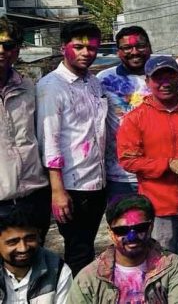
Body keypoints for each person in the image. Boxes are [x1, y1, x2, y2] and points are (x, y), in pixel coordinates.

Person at [118, 55, 178, 257]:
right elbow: (128, 160)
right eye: (158, 78)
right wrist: (168, 164)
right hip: (158, 205)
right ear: (148, 81)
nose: (165, 83)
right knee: (163, 260)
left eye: (170, 77)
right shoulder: (136, 118)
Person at [36, 21, 107, 273]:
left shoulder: (94, 82)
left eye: (92, 48)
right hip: (72, 185)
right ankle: (77, 291)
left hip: (97, 181)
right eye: (78, 47)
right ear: (62, 47)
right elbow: (49, 140)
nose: (86, 53)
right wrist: (58, 191)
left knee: (87, 246)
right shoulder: (51, 87)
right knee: (78, 251)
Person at [70, 194, 178, 303]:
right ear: (110, 233)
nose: (132, 237)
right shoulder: (88, 278)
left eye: (140, 228)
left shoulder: (172, 267)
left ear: (150, 227)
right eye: (122, 230)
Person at [0, 18, 50, 237]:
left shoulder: (28, 87)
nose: (1, 51)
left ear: (17, 50)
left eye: (8, 45)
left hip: (33, 195)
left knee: (35, 253)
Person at [97, 26, 153, 202]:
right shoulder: (103, 79)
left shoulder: (163, 76)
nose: (134, 52)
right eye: (127, 48)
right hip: (119, 175)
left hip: (157, 173)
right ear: (118, 51)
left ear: (150, 47)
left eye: (140, 46)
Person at [0, 208, 71, 304]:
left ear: (39, 236)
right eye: (13, 242)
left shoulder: (58, 271)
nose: (23, 248)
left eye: (30, 239)